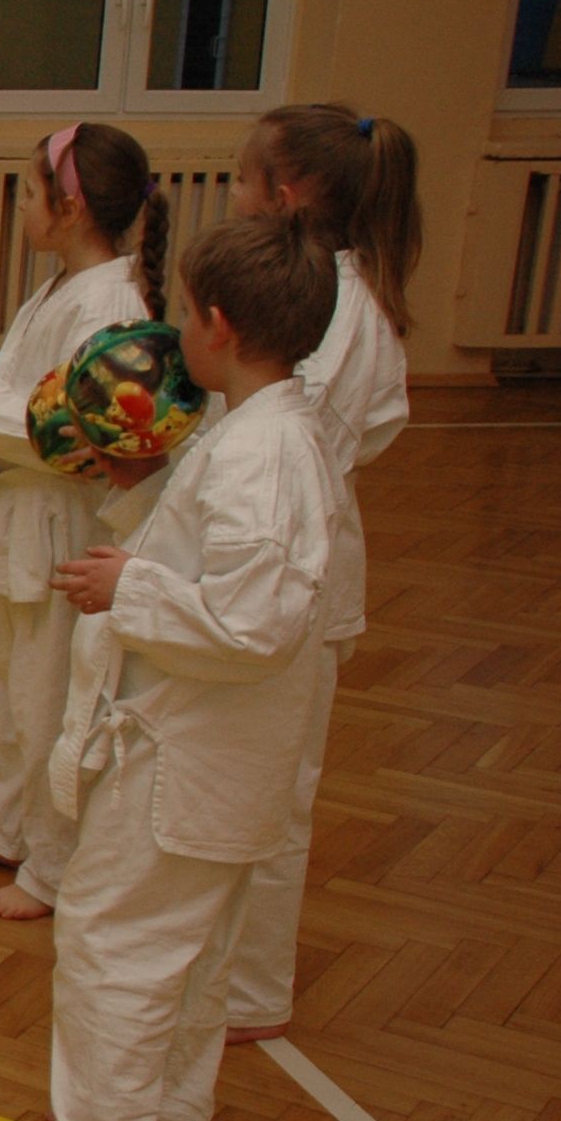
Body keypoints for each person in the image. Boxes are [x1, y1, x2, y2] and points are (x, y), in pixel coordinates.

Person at [1, 216, 345, 1121]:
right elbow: (224, 573)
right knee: (191, 943)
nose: (175, 331)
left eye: (185, 313)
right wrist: (139, 529)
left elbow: (251, 624)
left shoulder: (257, 454)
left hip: (185, 757)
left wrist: (129, 588)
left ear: (218, 326)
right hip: (218, 753)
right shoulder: (263, 433)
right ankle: (167, 1104)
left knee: (112, 934)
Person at [0, 124, 164, 918]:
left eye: (28, 193)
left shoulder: (110, 302)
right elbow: (34, 407)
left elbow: (75, 433)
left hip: (64, 520)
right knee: (10, 685)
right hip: (25, 511)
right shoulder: (65, 286)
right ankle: (12, 828)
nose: (20, 207)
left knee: (52, 698)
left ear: (71, 207)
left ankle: (54, 869)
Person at [219, 103, 418, 1044]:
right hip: (273, 563)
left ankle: (252, 989)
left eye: (241, 180)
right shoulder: (323, 296)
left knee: (273, 793)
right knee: (243, 780)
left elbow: (297, 452)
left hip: (294, 574)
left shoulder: (339, 315)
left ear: (286, 195)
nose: (231, 195)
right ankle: (222, 967)